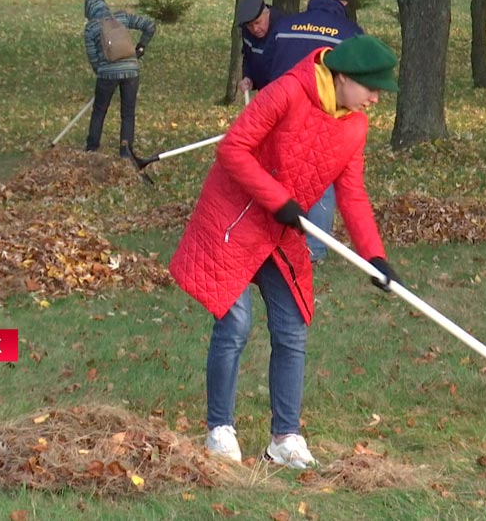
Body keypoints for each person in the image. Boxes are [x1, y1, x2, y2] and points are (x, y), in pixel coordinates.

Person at [170, 35, 401, 469]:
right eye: (371, 88)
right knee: (235, 325)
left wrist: (374, 256)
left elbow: (351, 195)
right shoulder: (288, 90)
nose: (375, 98)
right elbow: (233, 148)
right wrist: (278, 199)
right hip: (234, 217)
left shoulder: (354, 124)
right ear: (344, 77)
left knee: (292, 327)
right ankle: (220, 429)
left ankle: (284, 439)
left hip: (282, 229)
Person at [267, 0, 364, 261]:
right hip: (323, 115)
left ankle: (276, 243)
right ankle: (314, 248)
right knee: (323, 178)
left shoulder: (286, 25)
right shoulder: (350, 33)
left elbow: (268, 68)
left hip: (282, 111)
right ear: (343, 3)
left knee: (283, 174)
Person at [82, 0, 156, 158]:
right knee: (128, 113)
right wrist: (141, 47)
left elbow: (93, 57)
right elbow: (149, 25)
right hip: (132, 71)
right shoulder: (121, 17)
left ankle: (91, 150)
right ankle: (126, 151)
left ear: (88, 10)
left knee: (99, 111)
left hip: (107, 75)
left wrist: (101, 72)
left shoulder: (91, 27)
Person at [235, 0, 283, 93]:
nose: (255, 29)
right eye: (250, 26)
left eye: (258, 22)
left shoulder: (283, 29)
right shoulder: (247, 31)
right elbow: (248, 57)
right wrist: (248, 78)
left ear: (267, 13)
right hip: (264, 93)